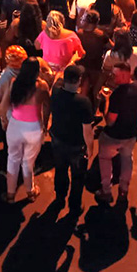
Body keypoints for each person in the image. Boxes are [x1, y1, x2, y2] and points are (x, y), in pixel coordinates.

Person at [0, 58, 49, 203]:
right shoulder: (41, 86)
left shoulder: (14, 82)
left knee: (12, 159)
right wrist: (45, 125)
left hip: (15, 126)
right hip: (33, 128)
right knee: (28, 162)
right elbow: (46, 107)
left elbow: (3, 106)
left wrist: (5, 121)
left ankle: (10, 194)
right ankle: (30, 191)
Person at [97, 62, 137, 204]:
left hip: (113, 136)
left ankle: (106, 190)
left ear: (125, 74)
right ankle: (124, 189)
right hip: (130, 134)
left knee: (105, 158)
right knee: (127, 160)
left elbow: (110, 121)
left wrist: (106, 101)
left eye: (115, 75)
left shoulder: (117, 96)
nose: (113, 78)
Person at [49, 65, 94, 214]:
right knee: (77, 177)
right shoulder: (84, 102)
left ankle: (59, 198)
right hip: (76, 146)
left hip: (58, 140)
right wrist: (90, 148)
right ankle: (74, 205)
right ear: (79, 81)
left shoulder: (55, 93)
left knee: (60, 171)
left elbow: (57, 80)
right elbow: (87, 131)